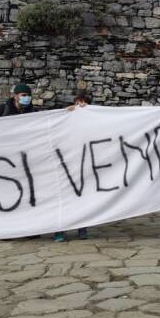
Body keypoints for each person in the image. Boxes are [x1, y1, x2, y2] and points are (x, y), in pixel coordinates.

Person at [55, 93, 93, 242]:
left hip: (82, 165)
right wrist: (66, 112)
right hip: (63, 164)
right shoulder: (65, 116)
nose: (79, 106)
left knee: (81, 199)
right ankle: (59, 231)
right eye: (77, 103)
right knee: (61, 200)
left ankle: (82, 228)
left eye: (82, 103)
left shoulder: (92, 119)